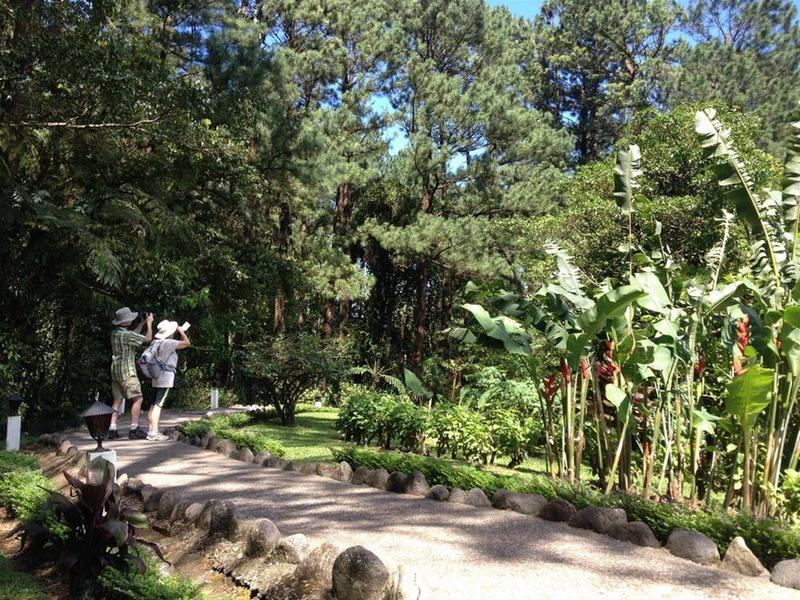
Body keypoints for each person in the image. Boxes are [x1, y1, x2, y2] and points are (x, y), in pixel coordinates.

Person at [108, 307, 153, 440]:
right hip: (127, 371)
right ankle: (134, 429)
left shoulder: (115, 333)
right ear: (127, 321)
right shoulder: (127, 335)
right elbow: (148, 338)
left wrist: (142, 323)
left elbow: (133, 336)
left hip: (115, 371)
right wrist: (149, 323)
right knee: (138, 398)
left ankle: (112, 428)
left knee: (117, 400)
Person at [145, 319, 191, 441]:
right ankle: (153, 432)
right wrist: (182, 332)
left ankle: (151, 430)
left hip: (156, 375)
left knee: (153, 403)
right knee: (158, 405)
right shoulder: (169, 342)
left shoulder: (156, 342)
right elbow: (187, 343)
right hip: (165, 377)